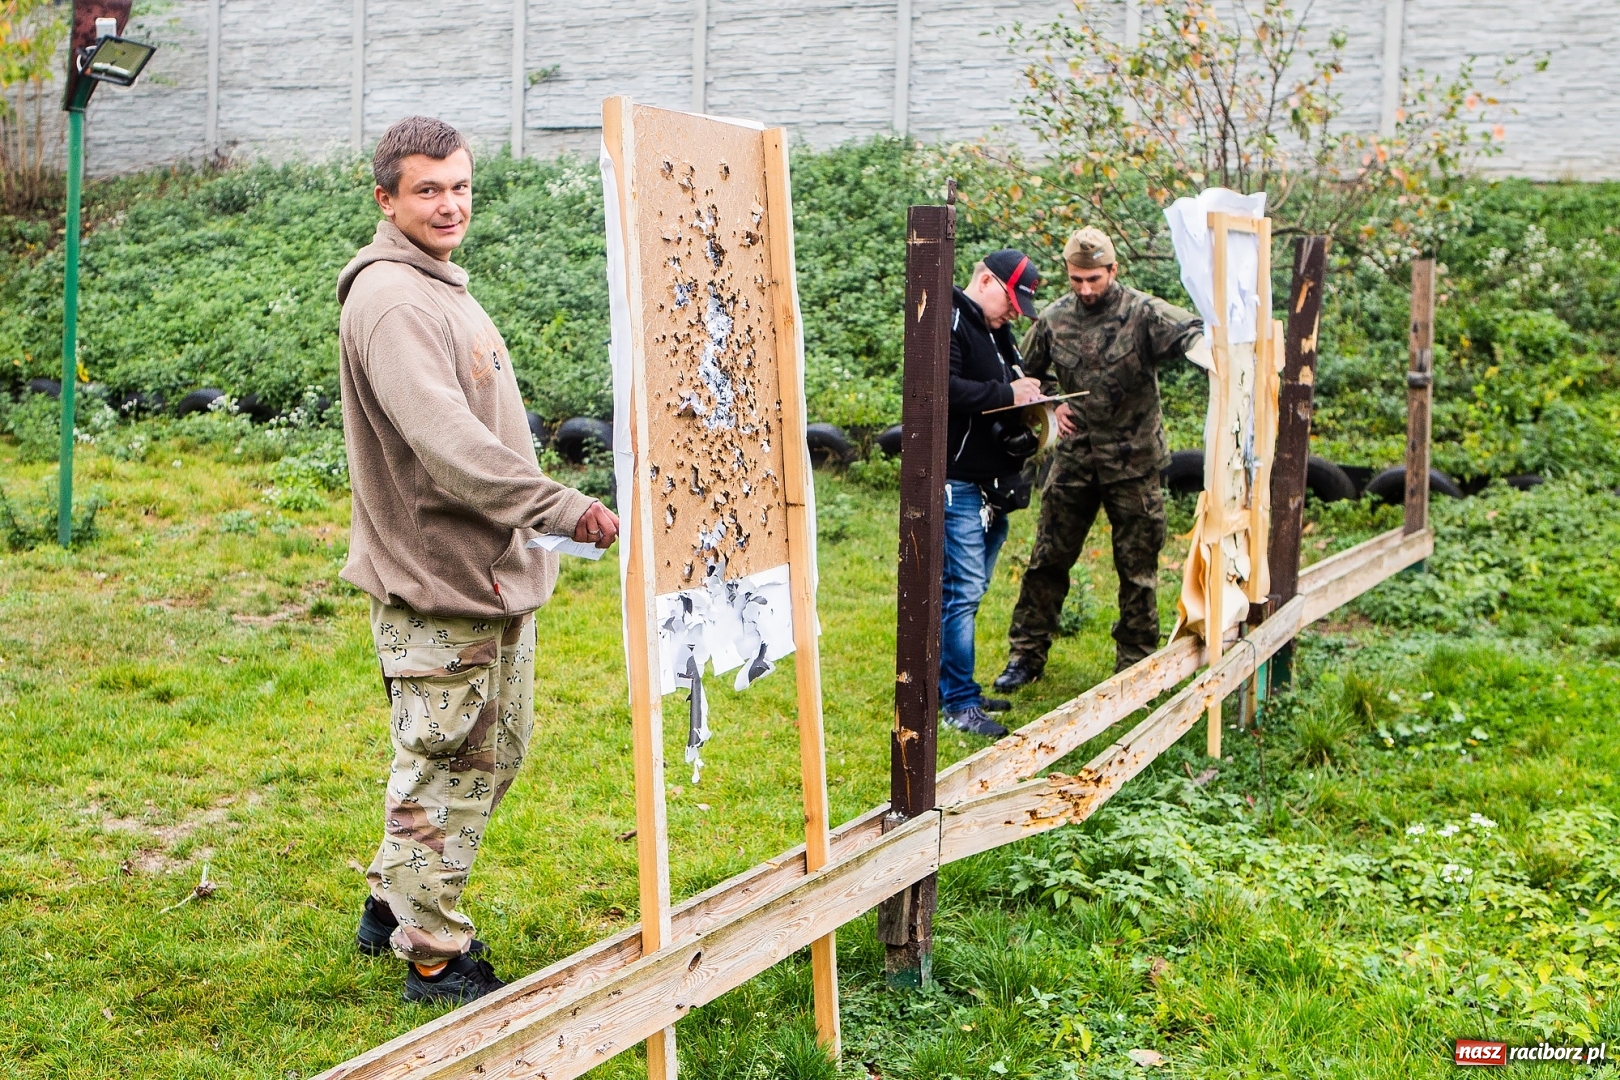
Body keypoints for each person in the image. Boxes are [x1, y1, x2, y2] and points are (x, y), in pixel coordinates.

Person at [335, 116, 621, 1004]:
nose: (450, 203)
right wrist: (557, 507)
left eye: (459, 185)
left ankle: (394, 897)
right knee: (450, 765)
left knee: (488, 757)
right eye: (427, 188)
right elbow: (450, 445)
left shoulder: (440, 287)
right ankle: (432, 954)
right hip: (439, 584)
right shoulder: (391, 301)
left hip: (483, 574)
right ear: (385, 198)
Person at [994, 227, 1203, 689]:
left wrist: (1213, 354)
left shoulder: (1143, 313)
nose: (1085, 289)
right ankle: (1025, 655)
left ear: (1113, 270)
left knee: (1138, 569)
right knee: (1047, 561)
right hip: (1073, 461)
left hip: (1134, 465)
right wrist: (1050, 403)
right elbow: (1022, 378)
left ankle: (1135, 664)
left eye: (1094, 279)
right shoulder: (1052, 320)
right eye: (1076, 280)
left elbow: (1193, 332)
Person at [939, 250, 1045, 738]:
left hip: (995, 484)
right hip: (959, 480)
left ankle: (959, 686)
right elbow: (943, 388)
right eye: (1011, 300)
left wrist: (1038, 401)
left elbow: (1007, 384)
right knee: (961, 592)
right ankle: (958, 702)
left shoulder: (998, 329)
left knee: (972, 589)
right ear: (985, 279)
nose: (1013, 312)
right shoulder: (952, 317)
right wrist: (1009, 395)